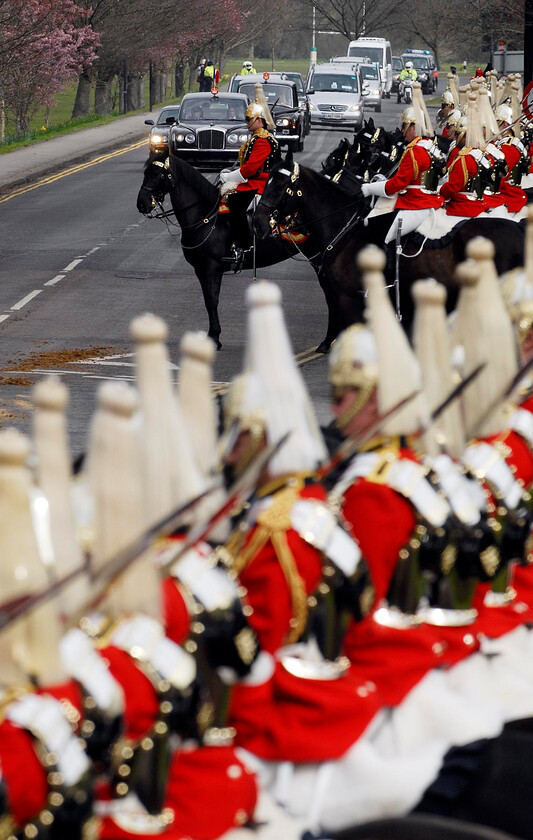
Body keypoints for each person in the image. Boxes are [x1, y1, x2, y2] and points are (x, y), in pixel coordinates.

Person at [361, 89, 444, 245]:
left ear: (413, 127)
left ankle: (392, 269)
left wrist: (370, 189)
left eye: (405, 126)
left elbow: (397, 184)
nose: (403, 131)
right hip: (430, 199)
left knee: (385, 238)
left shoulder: (415, 151)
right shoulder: (429, 146)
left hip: (417, 204)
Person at [219, 101, 281, 270]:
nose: (246, 122)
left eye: (249, 119)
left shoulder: (262, 140)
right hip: (253, 181)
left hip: (260, 184)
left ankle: (242, 246)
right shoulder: (257, 138)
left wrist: (229, 177)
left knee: (235, 204)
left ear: (259, 120)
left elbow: (251, 168)